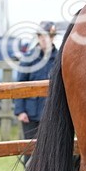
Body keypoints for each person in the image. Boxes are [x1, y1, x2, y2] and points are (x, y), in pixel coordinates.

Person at [14, 21, 59, 160]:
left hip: (54, 113)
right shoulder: (28, 59)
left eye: (48, 36)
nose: (44, 40)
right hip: (31, 112)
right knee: (31, 152)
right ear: (38, 38)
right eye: (41, 36)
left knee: (53, 151)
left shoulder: (60, 58)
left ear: (52, 38)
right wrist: (20, 111)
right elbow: (20, 85)